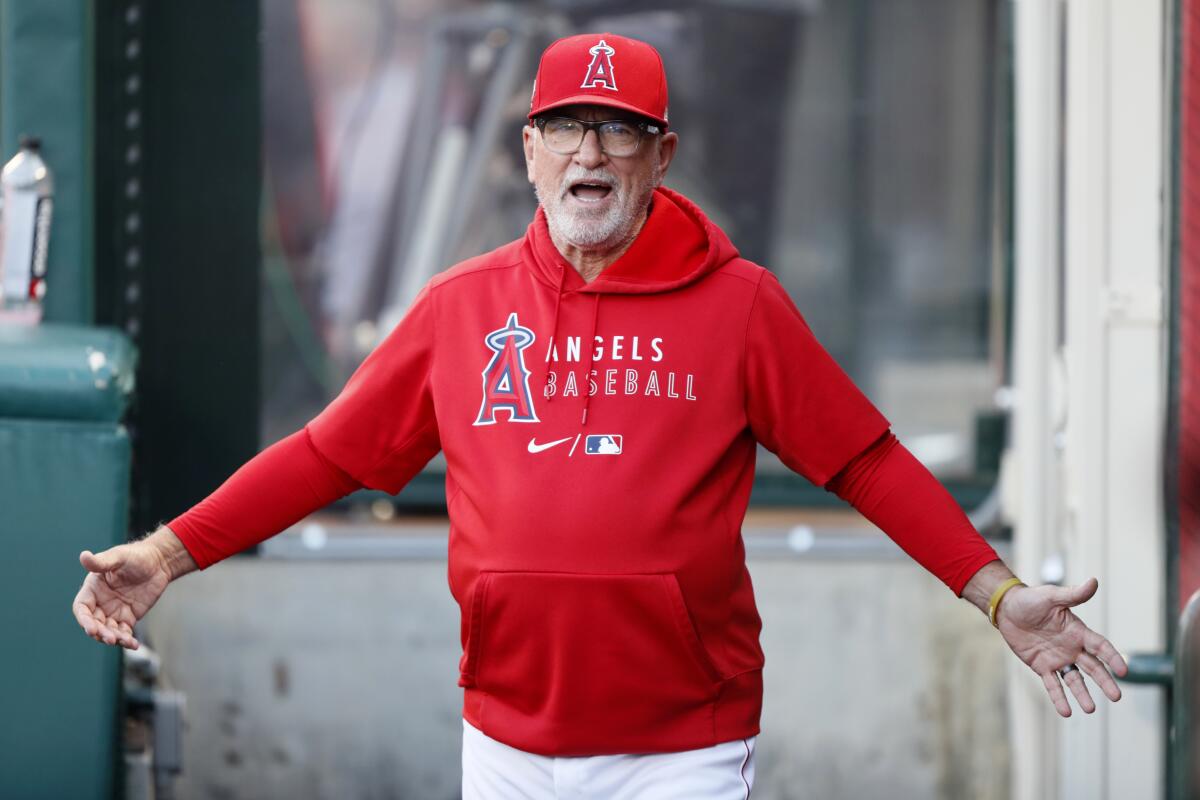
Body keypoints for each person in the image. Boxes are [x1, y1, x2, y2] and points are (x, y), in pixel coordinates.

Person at [73, 32, 1129, 799]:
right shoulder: (460, 309)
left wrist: (996, 594)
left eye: (617, 132)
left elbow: (869, 462)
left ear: (661, 157)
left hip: (682, 747)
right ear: (527, 153)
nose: (589, 155)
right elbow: (322, 455)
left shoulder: (742, 303)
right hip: (506, 743)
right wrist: (169, 552)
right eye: (565, 129)